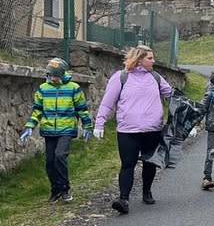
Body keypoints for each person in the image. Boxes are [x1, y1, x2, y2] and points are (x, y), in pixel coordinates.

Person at [94, 46, 173, 214]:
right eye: (150, 58)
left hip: (152, 129)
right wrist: (99, 123)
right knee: (127, 164)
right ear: (139, 60)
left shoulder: (156, 77)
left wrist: (186, 118)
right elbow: (107, 103)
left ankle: (147, 191)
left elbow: (172, 96)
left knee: (149, 162)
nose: (153, 61)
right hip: (128, 131)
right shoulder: (121, 77)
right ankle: (123, 199)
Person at [20, 58, 93, 203]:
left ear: (62, 74)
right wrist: (30, 126)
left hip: (66, 129)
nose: (52, 78)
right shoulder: (43, 89)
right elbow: (37, 110)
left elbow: (81, 110)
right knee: (50, 161)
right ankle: (55, 189)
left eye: (55, 75)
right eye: (50, 75)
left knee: (60, 156)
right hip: (48, 130)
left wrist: (87, 126)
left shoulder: (73, 88)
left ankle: (65, 189)